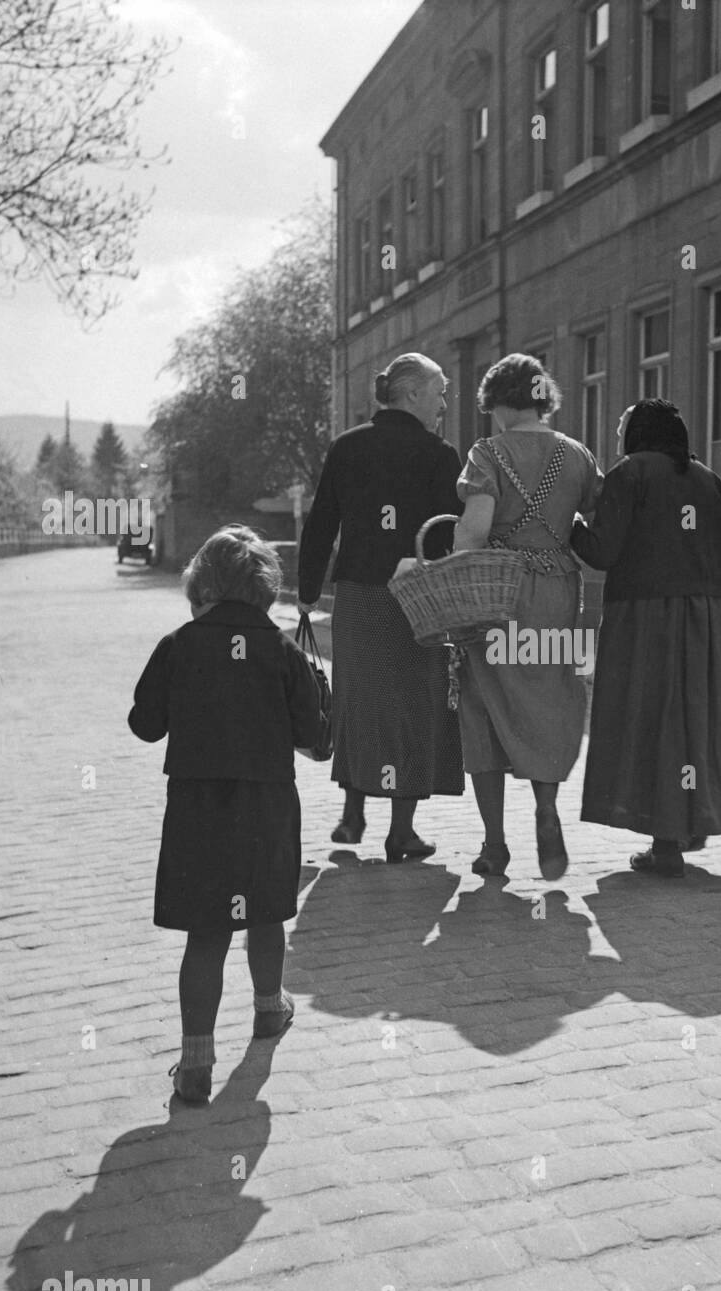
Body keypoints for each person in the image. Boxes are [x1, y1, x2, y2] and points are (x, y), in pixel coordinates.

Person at [128, 525, 321, 1102]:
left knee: (206, 934)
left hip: (197, 807)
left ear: (201, 584)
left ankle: (195, 1061)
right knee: (265, 914)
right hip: (265, 802)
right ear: (265, 588)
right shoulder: (283, 651)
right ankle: (268, 1009)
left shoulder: (178, 645)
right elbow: (313, 734)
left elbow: (145, 725)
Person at [296, 352, 465, 861]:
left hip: (356, 593)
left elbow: (321, 523)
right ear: (411, 394)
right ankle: (401, 832)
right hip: (419, 598)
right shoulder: (440, 455)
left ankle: (352, 815)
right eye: (438, 392)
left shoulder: (346, 447)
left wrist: (306, 593)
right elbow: (451, 534)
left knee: (359, 698)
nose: (443, 403)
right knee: (415, 704)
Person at [570, 399, 721, 876]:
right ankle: (692, 823)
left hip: (645, 616)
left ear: (639, 432)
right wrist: (718, 622)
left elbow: (604, 552)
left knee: (650, 719)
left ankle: (665, 846)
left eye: (622, 426)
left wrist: (572, 526)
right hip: (704, 615)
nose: (618, 436)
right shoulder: (708, 479)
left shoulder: (630, 474)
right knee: (692, 722)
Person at [453, 353, 600, 879]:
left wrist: (457, 581)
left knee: (482, 703)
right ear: (544, 399)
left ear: (496, 404)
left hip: (498, 596)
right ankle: (546, 807)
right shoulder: (576, 454)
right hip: (559, 597)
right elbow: (599, 521)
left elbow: (474, 527)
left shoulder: (487, 452)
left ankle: (495, 844)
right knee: (551, 695)